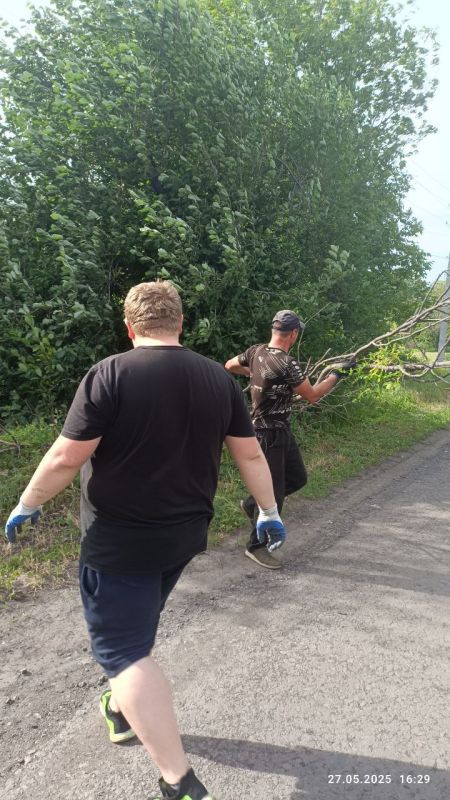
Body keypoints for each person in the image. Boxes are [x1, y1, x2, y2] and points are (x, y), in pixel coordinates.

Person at [4, 281, 286, 800]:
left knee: (123, 650)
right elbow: (249, 456)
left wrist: (27, 503)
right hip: (182, 537)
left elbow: (68, 456)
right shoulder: (215, 379)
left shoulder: (109, 373)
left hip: (119, 541)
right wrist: (267, 511)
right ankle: (120, 704)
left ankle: (178, 782)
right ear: (180, 324)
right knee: (138, 626)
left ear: (130, 327)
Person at [225, 309, 356, 570]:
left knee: (298, 478)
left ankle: (253, 503)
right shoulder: (287, 364)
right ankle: (256, 546)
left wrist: (255, 374)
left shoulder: (256, 352)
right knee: (275, 495)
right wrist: (337, 376)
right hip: (268, 434)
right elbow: (312, 395)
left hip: (280, 431)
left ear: (275, 330)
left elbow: (229, 365)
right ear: (293, 334)